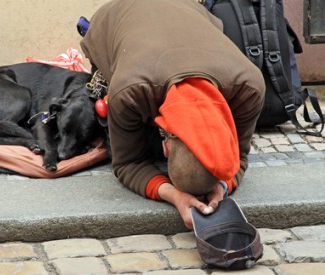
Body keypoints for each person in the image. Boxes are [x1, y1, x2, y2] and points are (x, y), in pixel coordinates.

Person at [80, 0, 265, 228]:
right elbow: (126, 163)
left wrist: (222, 187)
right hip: (116, 14)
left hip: (187, 9)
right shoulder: (129, 91)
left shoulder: (249, 87)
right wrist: (173, 195)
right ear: (166, 147)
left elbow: (239, 159)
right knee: (112, 116)